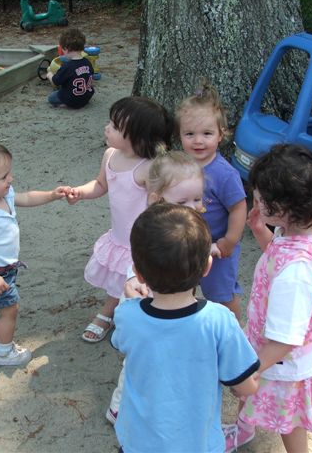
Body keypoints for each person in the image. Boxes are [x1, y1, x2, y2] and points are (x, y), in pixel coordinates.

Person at [224, 144, 312, 453]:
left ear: (284, 208)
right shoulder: (310, 227)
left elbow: (286, 338)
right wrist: (260, 229)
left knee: (289, 422)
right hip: (271, 344)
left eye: (261, 198)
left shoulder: (297, 273)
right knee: (250, 399)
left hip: (283, 360)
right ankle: (243, 431)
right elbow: (278, 254)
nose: (255, 200)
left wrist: (251, 370)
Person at [112, 203, 260, 453]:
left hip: (138, 442)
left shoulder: (127, 314)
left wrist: (131, 299)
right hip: (198, 443)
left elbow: (121, 341)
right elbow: (245, 386)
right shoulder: (218, 320)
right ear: (207, 267)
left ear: (138, 273)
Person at [106, 149, 208, 424]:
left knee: (166, 357)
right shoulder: (151, 229)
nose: (193, 207)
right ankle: (118, 407)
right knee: (138, 362)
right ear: (156, 199)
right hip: (146, 303)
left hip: (175, 301)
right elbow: (138, 260)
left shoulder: (189, 224)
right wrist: (132, 280)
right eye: (183, 201)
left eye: (197, 198)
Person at [67, 96, 173, 343]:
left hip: (143, 242)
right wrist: (80, 192)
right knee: (118, 279)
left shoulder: (149, 168)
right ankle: (109, 311)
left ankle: (148, 320)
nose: (107, 128)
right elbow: (100, 184)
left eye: (115, 126)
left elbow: (161, 205)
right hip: (120, 237)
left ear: (138, 138)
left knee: (146, 284)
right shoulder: (110, 155)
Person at [0, 140, 70, 366]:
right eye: (3, 177)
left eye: (9, 173)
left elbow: (26, 197)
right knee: (10, 310)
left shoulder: (3, 196)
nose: (11, 179)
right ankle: (3, 353)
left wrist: (51, 195)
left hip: (3, 270)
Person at [176, 81, 247, 321]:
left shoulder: (224, 174)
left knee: (220, 294)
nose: (198, 141)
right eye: (189, 134)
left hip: (217, 247)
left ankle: (234, 331)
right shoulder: (179, 167)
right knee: (182, 288)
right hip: (185, 243)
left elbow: (238, 207)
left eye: (206, 134)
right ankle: (189, 324)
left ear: (220, 135)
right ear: (180, 135)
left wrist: (230, 240)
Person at [46, 27, 94, 109]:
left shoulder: (67, 66)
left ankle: (67, 105)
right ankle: (80, 101)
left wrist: (49, 74)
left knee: (51, 98)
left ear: (66, 49)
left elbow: (55, 81)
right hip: (86, 97)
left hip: (71, 99)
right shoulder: (87, 62)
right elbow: (91, 76)